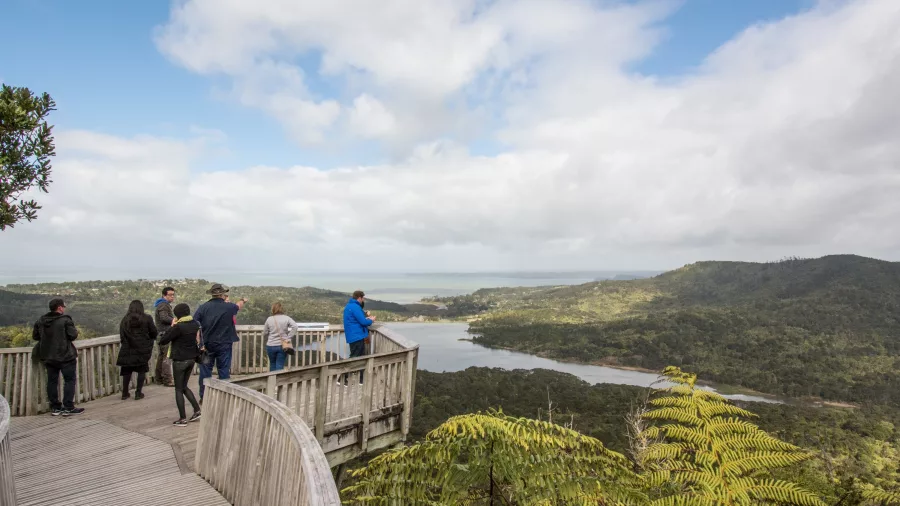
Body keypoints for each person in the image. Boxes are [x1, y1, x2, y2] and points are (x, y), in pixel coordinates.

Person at [32, 298, 84, 416]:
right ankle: (68, 407)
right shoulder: (65, 320)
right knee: (70, 380)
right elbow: (73, 335)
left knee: (52, 381)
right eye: (63, 306)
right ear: (60, 307)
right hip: (65, 356)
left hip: (48, 356)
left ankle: (55, 407)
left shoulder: (41, 320)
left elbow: (35, 336)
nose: (64, 308)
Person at [195, 283, 247, 401]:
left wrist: (199, 341)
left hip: (207, 344)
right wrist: (243, 300)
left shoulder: (203, 307)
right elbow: (238, 306)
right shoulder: (229, 307)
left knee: (205, 370)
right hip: (224, 343)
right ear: (222, 294)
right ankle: (225, 397)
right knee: (223, 370)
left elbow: (195, 322)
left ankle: (205, 396)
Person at [158, 303, 202, 427]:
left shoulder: (178, 327)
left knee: (178, 388)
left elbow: (163, 340)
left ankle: (182, 419)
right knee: (184, 386)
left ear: (177, 314)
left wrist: (172, 326)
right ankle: (197, 410)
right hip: (192, 359)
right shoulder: (195, 324)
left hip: (180, 360)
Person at [117, 300, 158, 400]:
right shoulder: (147, 318)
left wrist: (126, 343)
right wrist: (148, 341)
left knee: (127, 370)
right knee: (141, 370)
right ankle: (138, 393)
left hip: (128, 349)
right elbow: (154, 332)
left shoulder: (125, 320)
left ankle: (125, 393)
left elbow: (122, 336)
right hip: (142, 349)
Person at [341, 290, 375, 385]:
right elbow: (363, 322)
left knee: (360, 358)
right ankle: (342, 378)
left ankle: (361, 380)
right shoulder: (355, 307)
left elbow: (357, 320)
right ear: (359, 298)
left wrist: (366, 319)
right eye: (363, 298)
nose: (363, 300)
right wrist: (371, 320)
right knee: (354, 358)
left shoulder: (349, 306)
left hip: (354, 335)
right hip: (357, 336)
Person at [263, 302, 296, 371]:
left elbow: (265, 332)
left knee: (272, 364)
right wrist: (288, 337)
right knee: (279, 365)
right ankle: (278, 380)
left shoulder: (269, 319)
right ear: (282, 309)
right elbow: (295, 327)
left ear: (273, 309)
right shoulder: (286, 318)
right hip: (282, 345)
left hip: (270, 345)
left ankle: (272, 380)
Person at [153, 287, 176, 386]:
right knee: (167, 357)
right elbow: (163, 318)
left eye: (173, 294)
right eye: (170, 295)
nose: (172, 297)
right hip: (165, 334)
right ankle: (167, 380)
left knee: (161, 357)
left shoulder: (160, 305)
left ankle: (159, 378)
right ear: (164, 295)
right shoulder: (163, 305)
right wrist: (173, 320)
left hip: (161, 334)